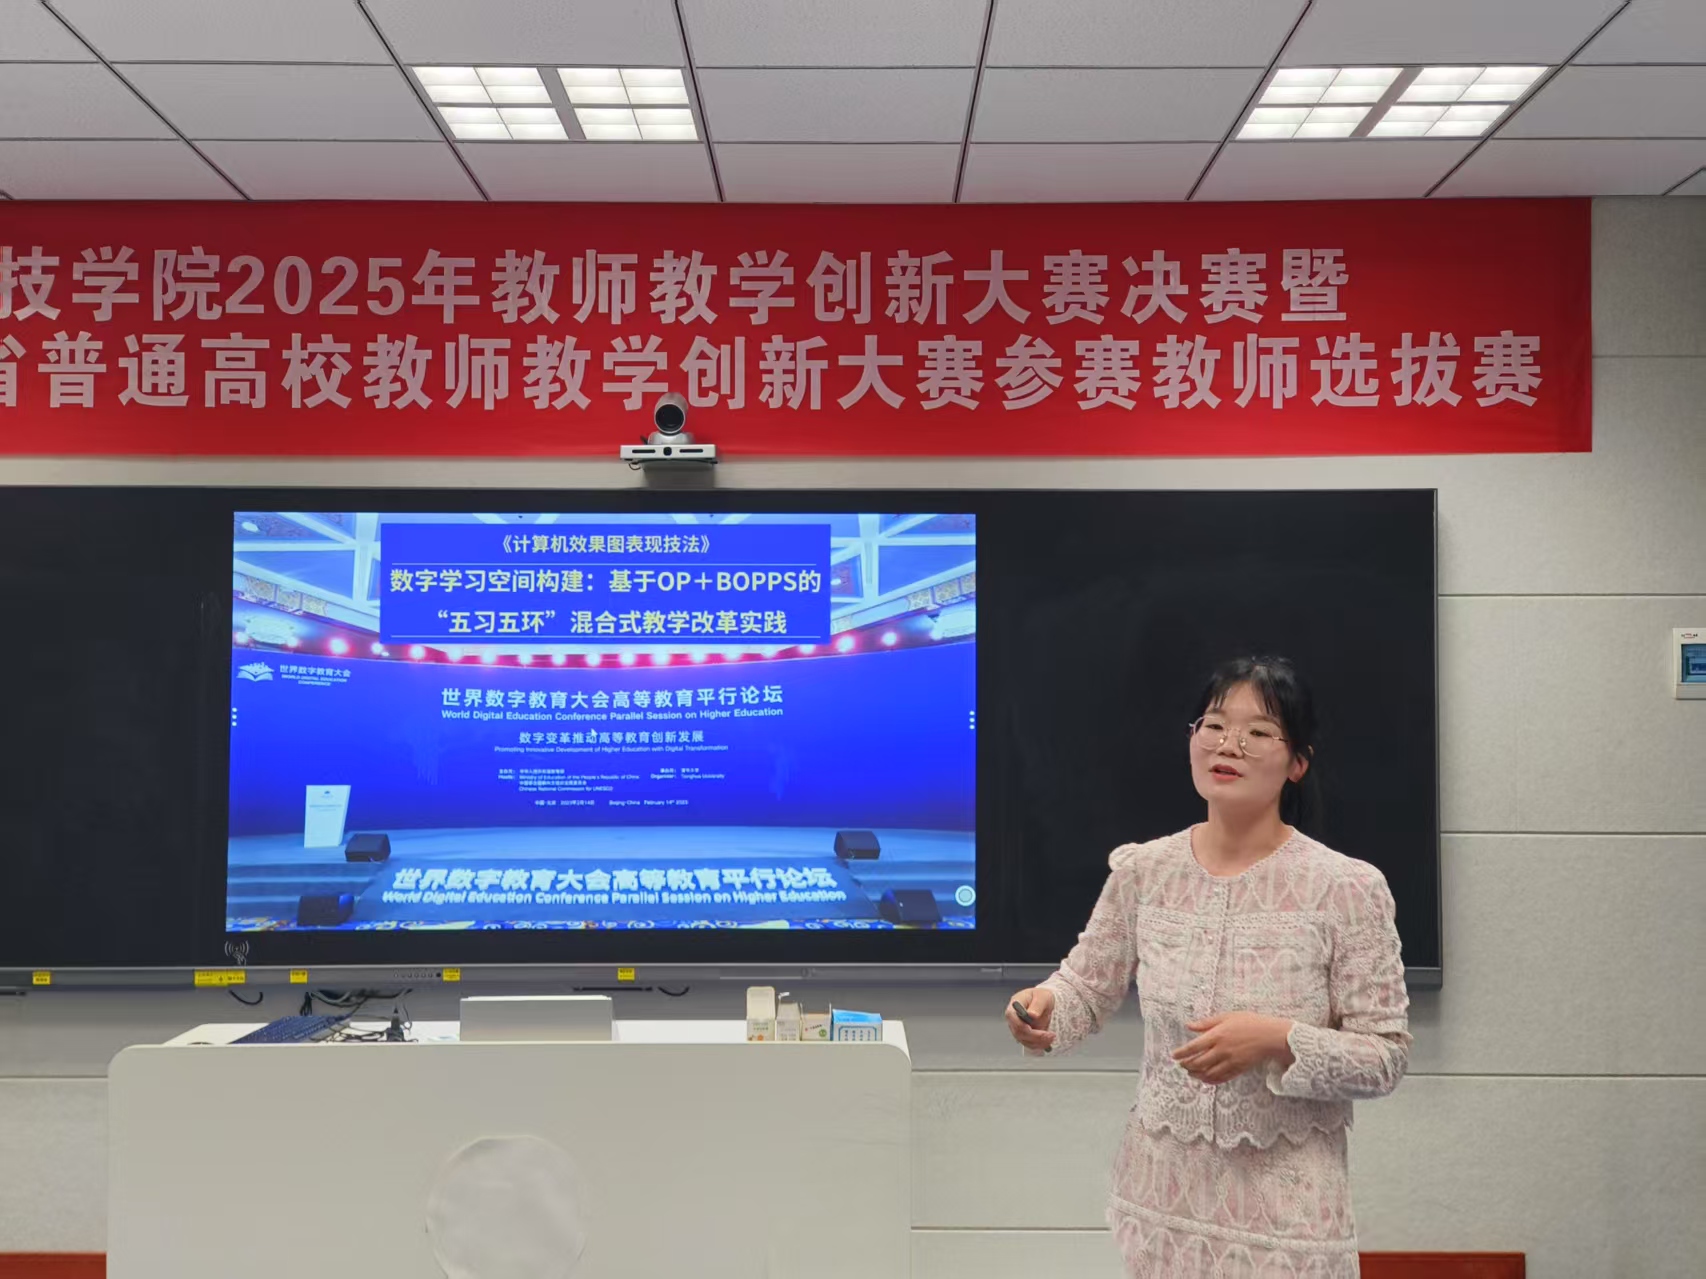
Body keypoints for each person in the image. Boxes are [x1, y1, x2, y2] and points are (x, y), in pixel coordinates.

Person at [1006, 655, 1410, 1278]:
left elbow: (1384, 1057)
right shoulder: (1145, 871)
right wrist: (1044, 1008)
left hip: (1287, 1219)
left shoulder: (1346, 888)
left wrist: (1277, 1039)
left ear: (1298, 763)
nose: (1229, 745)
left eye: (1258, 732)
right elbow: (1085, 987)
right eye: (1214, 725)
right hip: (1162, 1202)